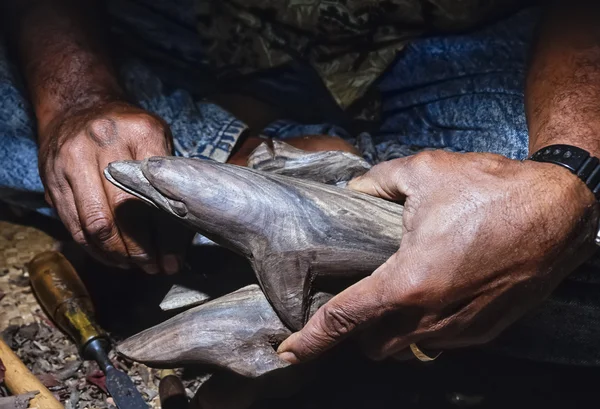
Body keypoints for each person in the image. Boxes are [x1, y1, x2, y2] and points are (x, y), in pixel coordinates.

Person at [1, 0, 600, 366]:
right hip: (193, 28)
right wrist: (76, 99)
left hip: (458, 38)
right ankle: (331, 189)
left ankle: (263, 183)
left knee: (560, 220)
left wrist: (567, 174)